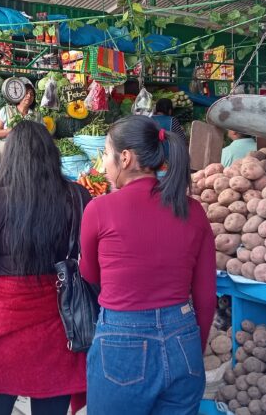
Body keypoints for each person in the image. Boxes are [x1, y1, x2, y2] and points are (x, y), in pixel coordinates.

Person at [79, 116, 216, 415]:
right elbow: (206, 298)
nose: (105, 164)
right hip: (184, 341)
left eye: (106, 153)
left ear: (125, 158)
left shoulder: (99, 209)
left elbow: (89, 274)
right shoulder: (192, 210)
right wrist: (194, 347)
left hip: (121, 342)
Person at [0, 121, 90, 415]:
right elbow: (90, 263)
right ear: (52, 154)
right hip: (60, 325)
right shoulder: (78, 196)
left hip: (5, 326)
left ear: (11, 156)